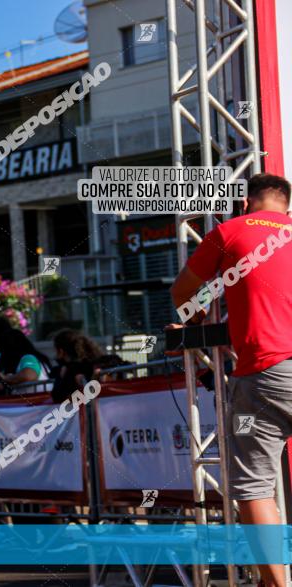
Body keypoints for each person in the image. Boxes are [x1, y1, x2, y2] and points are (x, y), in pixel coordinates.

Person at [169, 173, 292, 587]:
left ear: (244, 204)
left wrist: (196, 312)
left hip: (266, 375)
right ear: (286, 208)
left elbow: (183, 291)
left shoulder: (228, 231)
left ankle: (276, 582)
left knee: (253, 484)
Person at [50, 329, 104, 403]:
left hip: (79, 411)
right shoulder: (95, 364)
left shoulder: (68, 370)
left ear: (61, 351)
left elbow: (58, 397)